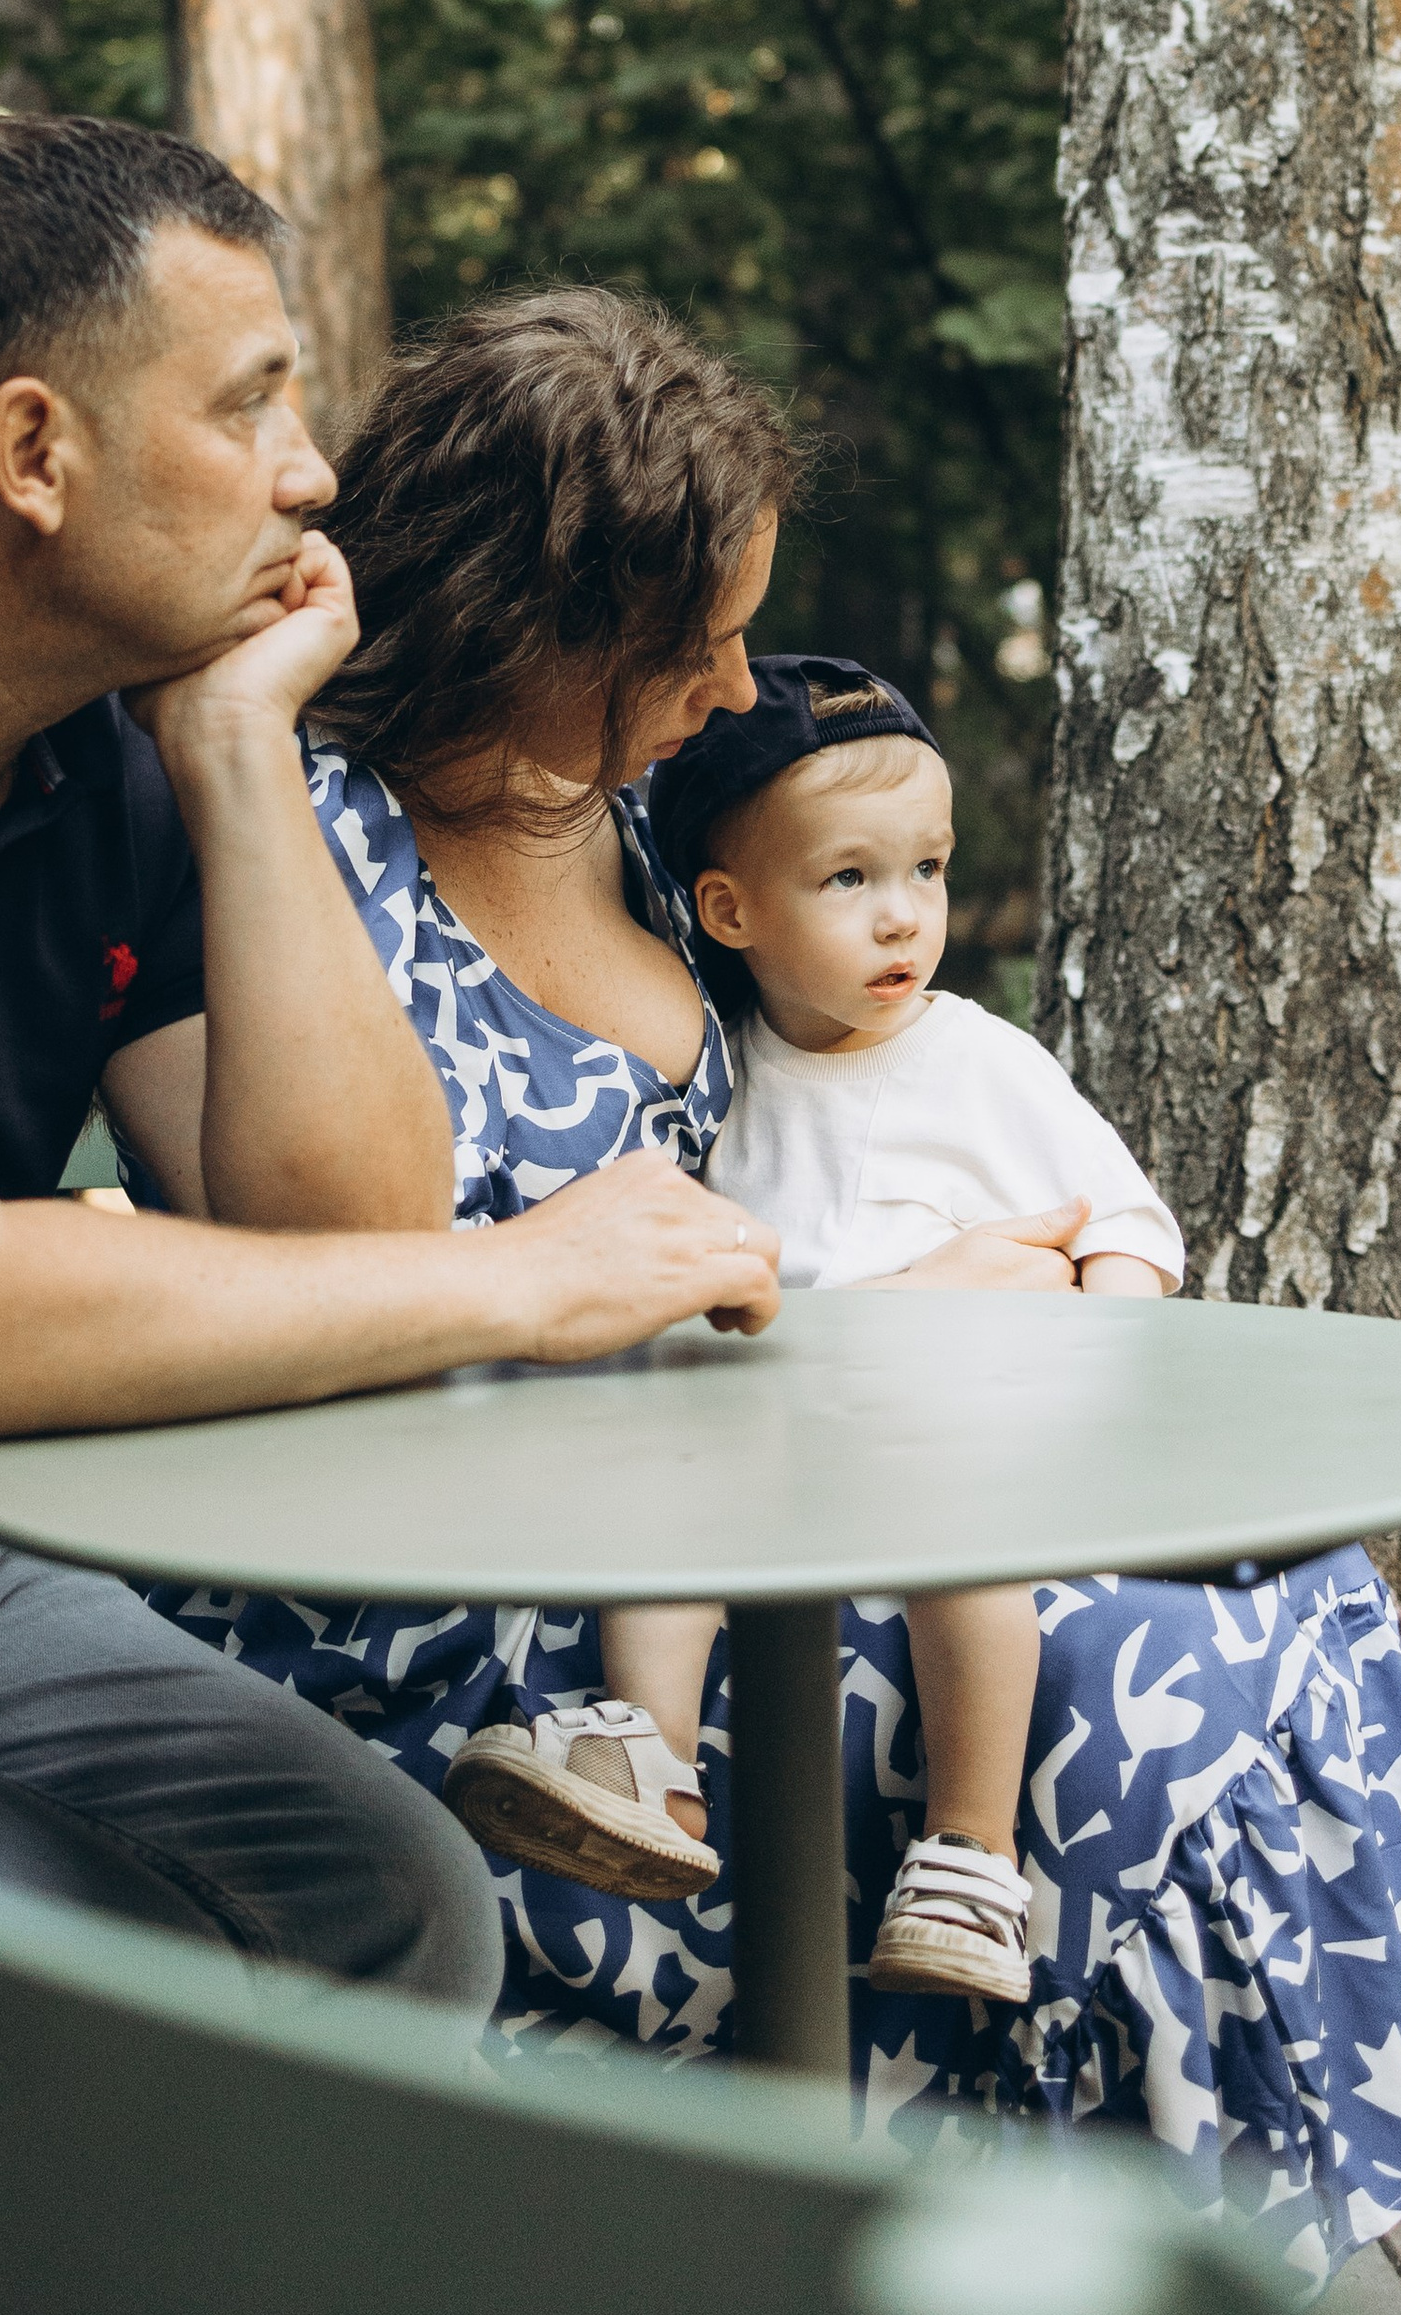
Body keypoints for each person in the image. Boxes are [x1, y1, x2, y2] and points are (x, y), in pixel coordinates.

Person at [149, 287, 1401, 2278]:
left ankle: (1107, 2268)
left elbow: (826, 1094)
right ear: (541, 627)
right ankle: (1011, 2269)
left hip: (729, 1478)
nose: (728, 688)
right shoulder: (292, 830)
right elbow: (309, 1242)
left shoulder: (644, 819)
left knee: (1254, 1574)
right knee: (1132, 1674)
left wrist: (941, 1265)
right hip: (477, 1597)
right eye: (686, 641)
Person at [0, 122, 779, 2014]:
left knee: (402, 1906)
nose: (315, 470)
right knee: (103, 1996)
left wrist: (236, 754)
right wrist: (530, 1279)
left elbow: (339, 1221)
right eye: (253, 400)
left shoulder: (94, 757)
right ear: (35, 453)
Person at [440, 656, 1184, 2012]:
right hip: (777, 1436)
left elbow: (1126, 1220)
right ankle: (647, 1763)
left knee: (974, 1559)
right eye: (850, 880)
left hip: (949, 1434)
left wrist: (1105, 1349)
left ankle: (971, 1857)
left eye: (928, 870)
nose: (905, 917)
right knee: (665, 1513)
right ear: (730, 909)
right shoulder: (721, 1073)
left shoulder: (981, 1061)